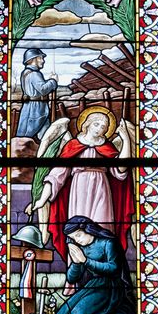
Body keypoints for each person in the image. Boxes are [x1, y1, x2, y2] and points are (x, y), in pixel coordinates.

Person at [32, 106, 134, 260]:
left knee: (102, 226)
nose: (100, 129)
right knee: (78, 230)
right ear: (87, 123)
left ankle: (104, 271)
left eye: (104, 127)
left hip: (101, 189)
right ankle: (77, 273)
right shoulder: (72, 145)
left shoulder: (107, 147)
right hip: (79, 189)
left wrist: (126, 139)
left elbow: (120, 169)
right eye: (96, 124)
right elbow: (56, 175)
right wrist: (42, 199)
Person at [54, 216, 136, 314]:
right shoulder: (82, 249)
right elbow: (71, 278)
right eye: (73, 238)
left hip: (111, 288)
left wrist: (86, 261)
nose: (77, 240)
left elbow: (114, 268)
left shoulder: (108, 242)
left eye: (78, 235)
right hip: (93, 286)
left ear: (88, 229)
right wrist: (76, 263)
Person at [16, 48, 58, 140]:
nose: (43, 61)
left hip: (29, 107)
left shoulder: (25, 73)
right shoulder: (34, 74)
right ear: (33, 59)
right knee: (39, 132)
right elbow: (43, 89)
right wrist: (53, 81)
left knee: (31, 130)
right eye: (40, 58)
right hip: (36, 109)